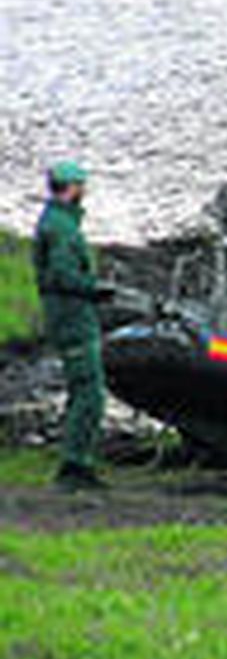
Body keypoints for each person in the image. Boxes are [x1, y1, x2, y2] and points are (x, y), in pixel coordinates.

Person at [32, 160, 112, 491]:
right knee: (90, 392)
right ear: (72, 188)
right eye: (82, 185)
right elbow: (63, 276)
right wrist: (96, 288)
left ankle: (77, 461)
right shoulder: (62, 229)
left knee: (82, 389)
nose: (85, 191)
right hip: (73, 319)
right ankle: (74, 466)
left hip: (70, 315)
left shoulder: (56, 222)